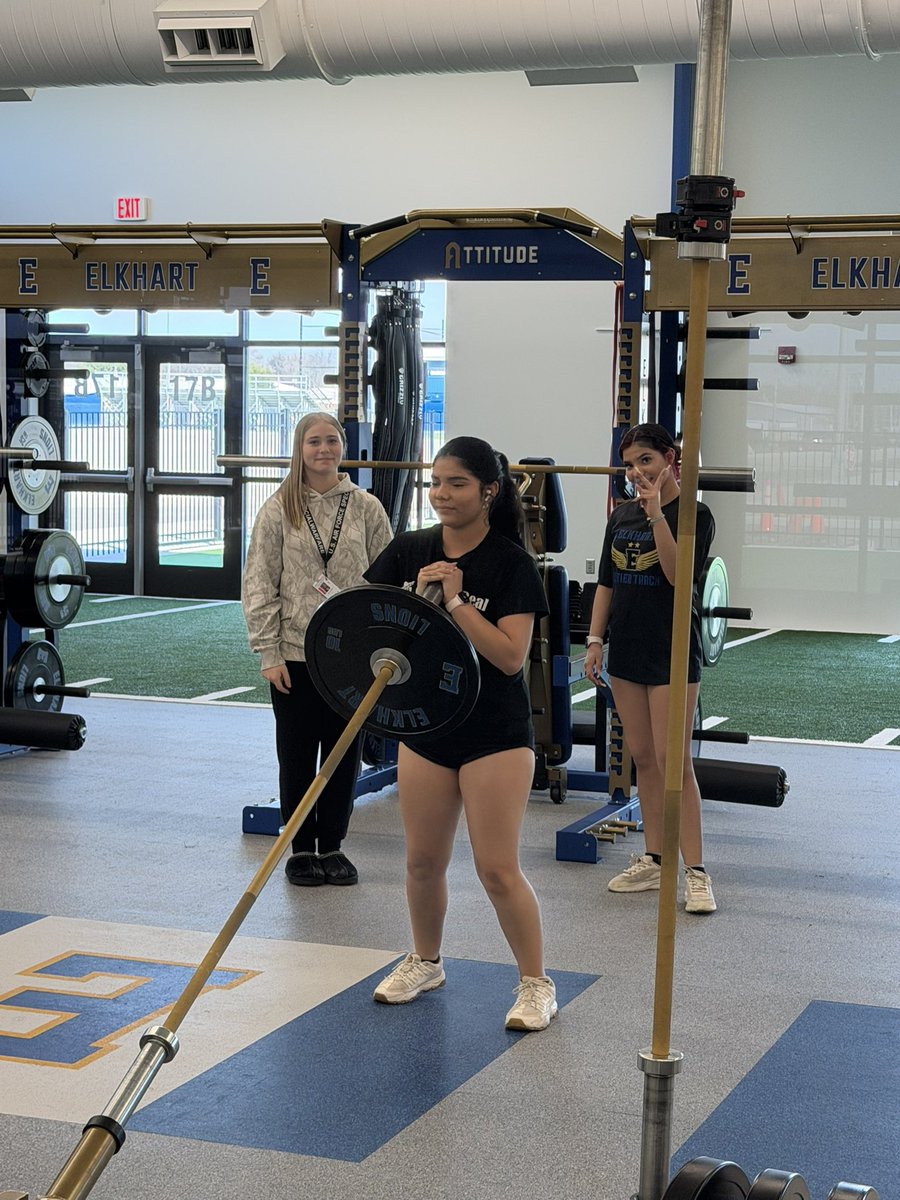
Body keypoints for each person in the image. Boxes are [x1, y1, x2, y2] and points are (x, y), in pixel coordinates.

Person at [364, 436, 557, 1031]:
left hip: (494, 734)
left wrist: (454, 601)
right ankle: (425, 960)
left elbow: (509, 657)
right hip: (426, 725)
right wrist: (408, 598)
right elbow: (373, 621)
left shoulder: (511, 564)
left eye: (457, 484)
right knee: (422, 862)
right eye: (436, 483)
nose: (441, 495)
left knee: (496, 867)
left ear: (488, 491)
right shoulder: (410, 549)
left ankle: (536, 985)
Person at [242, 411, 392, 887]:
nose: (323, 450)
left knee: (343, 753)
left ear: (342, 447)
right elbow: (259, 582)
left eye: (331, 441)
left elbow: (387, 577)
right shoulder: (277, 509)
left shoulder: (367, 507)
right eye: (314, 442)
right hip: (293, 653)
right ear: (299, 449)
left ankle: (333, 845)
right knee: (297, 750)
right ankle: (301, 846)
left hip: (350, 656)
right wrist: (268, 652)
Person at [584, 423, 717, 914]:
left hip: (671, 653)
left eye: (646, 460)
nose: (638, 471)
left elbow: (678, 576)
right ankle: (655, 858)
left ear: (670, 459)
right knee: (643, 756)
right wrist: (596, 641)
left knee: (674, 761)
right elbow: (605, 583)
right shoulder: (620, 517)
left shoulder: (695, 516)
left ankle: (696, 871)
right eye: (631, 463)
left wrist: (658, 514)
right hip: (627, 653)